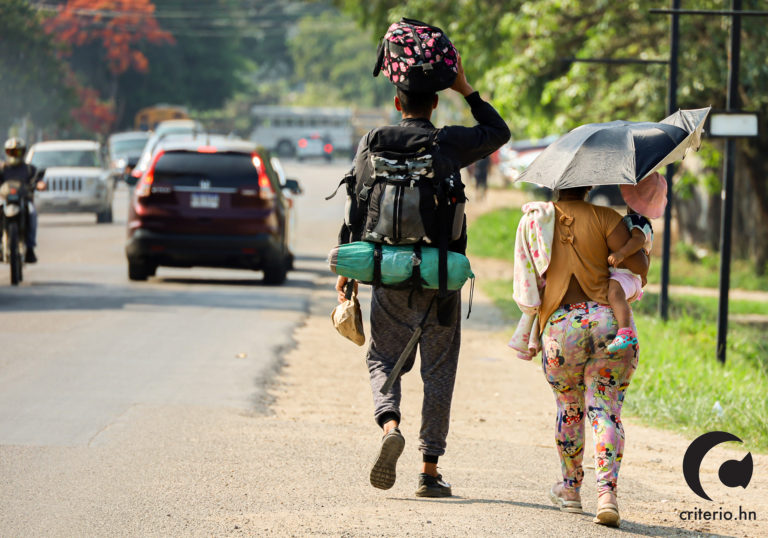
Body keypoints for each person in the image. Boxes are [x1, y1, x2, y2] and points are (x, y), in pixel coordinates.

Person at [335, 54, 510, 498]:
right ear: (434, 104)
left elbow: (357, 202)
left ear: (397, 102)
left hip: (387, 272)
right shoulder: (447, 142)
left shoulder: (373, 139)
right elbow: (499, 133)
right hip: (440, 277)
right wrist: (467, 89)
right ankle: (429, 471)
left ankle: (389, 424)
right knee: (438, 371)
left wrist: (349, 273)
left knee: (382, 360)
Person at [537, 185, 648, 528]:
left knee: (569, 408)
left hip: (559, 327)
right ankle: (606, 495)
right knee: (604, 407)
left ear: (554, 183)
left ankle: (570, 490)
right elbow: (640, 266)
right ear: (589, 185)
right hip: (607, 322)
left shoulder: (537, 220)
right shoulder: (606, 217)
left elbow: (527, 279)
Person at [606, 172, 667, 353]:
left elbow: (639, 242)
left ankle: (625, 332)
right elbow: (648, 253)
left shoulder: (636, 220)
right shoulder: (644, 222)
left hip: (625, 275)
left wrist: (621, 253)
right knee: (615, 295)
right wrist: (644, 276)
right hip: (633, 277)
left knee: (614, 294)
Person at [0, 138, 45, 263]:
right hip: (5, 200)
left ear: (23, 153)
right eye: (12, 152)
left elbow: (38, 181)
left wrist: (40, 184)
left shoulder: (29, 169)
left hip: (24, 200)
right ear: (7, 153)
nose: (15, 155)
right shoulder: (3, 168)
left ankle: (30, 248)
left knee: (32, 214)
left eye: (18, 152)